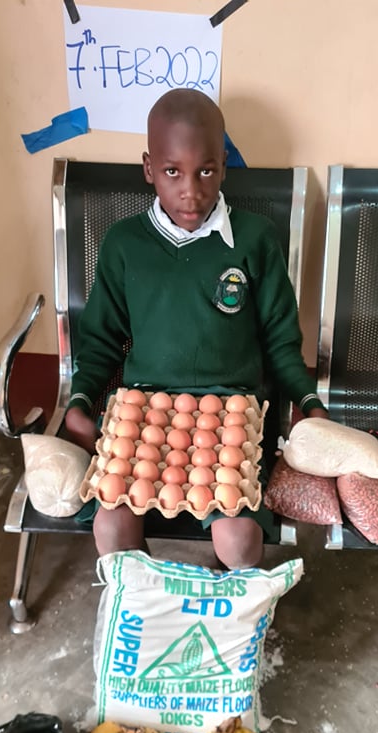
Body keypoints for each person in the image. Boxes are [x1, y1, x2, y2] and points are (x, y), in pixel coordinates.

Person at [64, 88, 328, 568]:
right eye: (173, 172)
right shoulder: (125, 244)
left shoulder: (254, 240)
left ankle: (226, 607)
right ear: (149, 169)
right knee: (111, 527)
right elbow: (101, 340)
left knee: (239, 541)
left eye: (205, 171)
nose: (191, 190)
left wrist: (309, 402)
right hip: (145, 413)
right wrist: (80, 400)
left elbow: (280, 338)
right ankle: (148, 599)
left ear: (223, 166)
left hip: (232, 415)